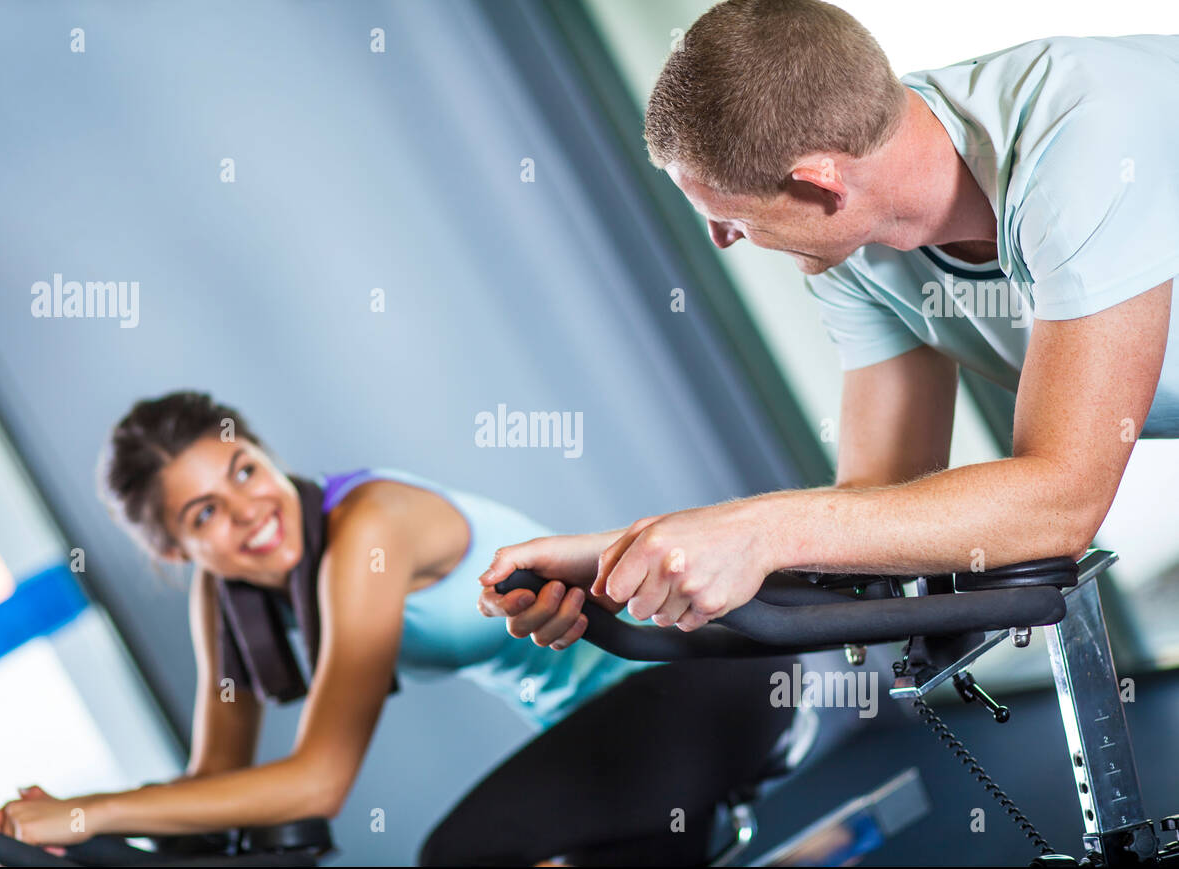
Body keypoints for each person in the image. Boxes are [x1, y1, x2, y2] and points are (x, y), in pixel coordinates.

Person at [479, 0, 1177, 648]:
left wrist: (760, 530)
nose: (723, 240)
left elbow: (1057, 504)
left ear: (820, 186)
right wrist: (621, 562)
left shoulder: (1080, 140)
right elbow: (874, 508)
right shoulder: (850, 244)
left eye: (731, 215)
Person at [0, 391, 810, 865]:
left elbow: (318, 783)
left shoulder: (368, 528)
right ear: (179, 549)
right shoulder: (230, 597)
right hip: (618, 736)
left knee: (459, 861)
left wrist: (88, 813)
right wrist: (80, 843)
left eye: (245, 471)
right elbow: (213, 787)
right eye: (207, 512)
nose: (249, 511)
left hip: (699, 680)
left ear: (267, 456)